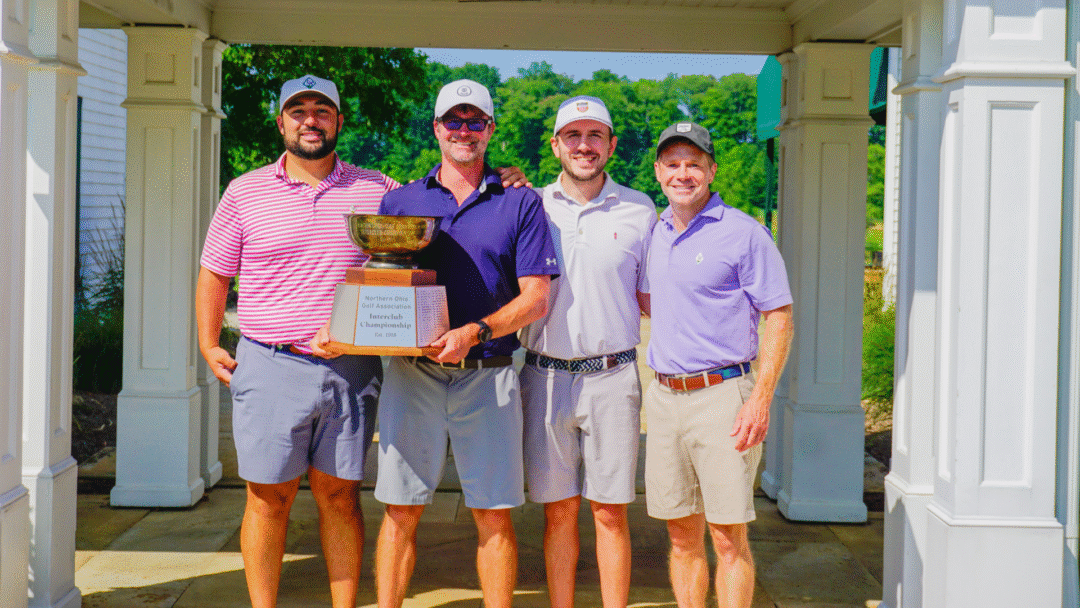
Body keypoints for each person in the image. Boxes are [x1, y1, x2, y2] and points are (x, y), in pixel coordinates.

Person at [196, 74, 526, 608]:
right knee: (267, 498)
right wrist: (209, 342)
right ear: (281, 122)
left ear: (338, 121)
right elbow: (215, 271)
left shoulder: (378, 190)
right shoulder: (244, 191)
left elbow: (447, 186)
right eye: (298, 111)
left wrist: (506, 176)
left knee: (340, 496)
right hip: (271, 360)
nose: (310, 121)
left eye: (322, 111)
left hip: (350, 369)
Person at [369, 79, 559, 608]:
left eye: (475, 121)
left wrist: (476, 331)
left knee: (493, 514)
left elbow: (536, 298)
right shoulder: (400, 200)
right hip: (413, 375)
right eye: (453, 120)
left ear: (490, 129)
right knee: (400, 509)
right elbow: (380, 283)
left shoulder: (520, 202)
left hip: (489, 373)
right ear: (436, 128)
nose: (464, 130)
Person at [645, 121, 794, 608]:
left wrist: (760, 400)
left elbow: (779, 316)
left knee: (728, 537)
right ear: (658, 171)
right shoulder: (655, 229)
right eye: (673, 164)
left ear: (711, 170)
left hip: (723, 399)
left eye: (694, 163)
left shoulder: (744, 234)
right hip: (664, 399)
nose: (683, 173)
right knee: (681, 535)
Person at [518, 95, 656, 608]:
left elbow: (653, 297)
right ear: (555, 145)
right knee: (558, 511)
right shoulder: (530, 204)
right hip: (544, 375)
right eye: (573, 136)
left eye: (595, 135)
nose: (584, 145)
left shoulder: (641, 208)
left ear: (611, 145)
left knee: (609, 512)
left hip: (612, 378)